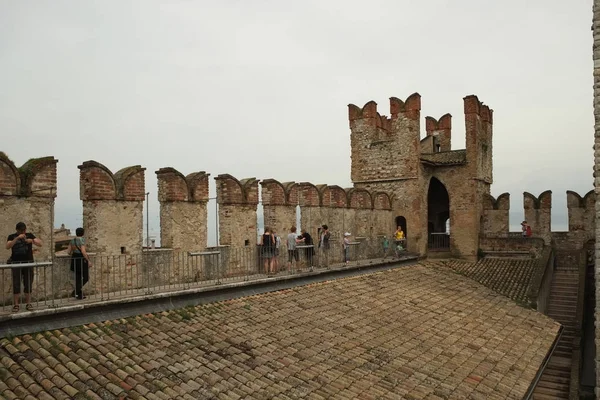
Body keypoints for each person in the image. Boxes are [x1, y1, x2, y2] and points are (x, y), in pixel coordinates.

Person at [6, 222, 42, 312]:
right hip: (16, 263)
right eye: (21, 230)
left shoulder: (29, 235)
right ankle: (16, 305)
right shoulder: (11, 236)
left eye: (24, 230)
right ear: (17, 230)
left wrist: (32, 241)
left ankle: (28, 303)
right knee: (16, 284)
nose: (23, 232)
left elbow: (40, 243)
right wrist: (17, 238)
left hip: (28, 263)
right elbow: (7, 246)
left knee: (28, 283)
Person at [68, 227, 93, 300]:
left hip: (74, 258)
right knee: (86, 277)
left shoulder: (72, 240)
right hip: (81, 259)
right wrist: (88, 261)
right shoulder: (82, 240)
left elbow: (68, 251)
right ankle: (75, 292)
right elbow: (83, 251)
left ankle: (79, 295)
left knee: (78, 277)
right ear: (83, 233)